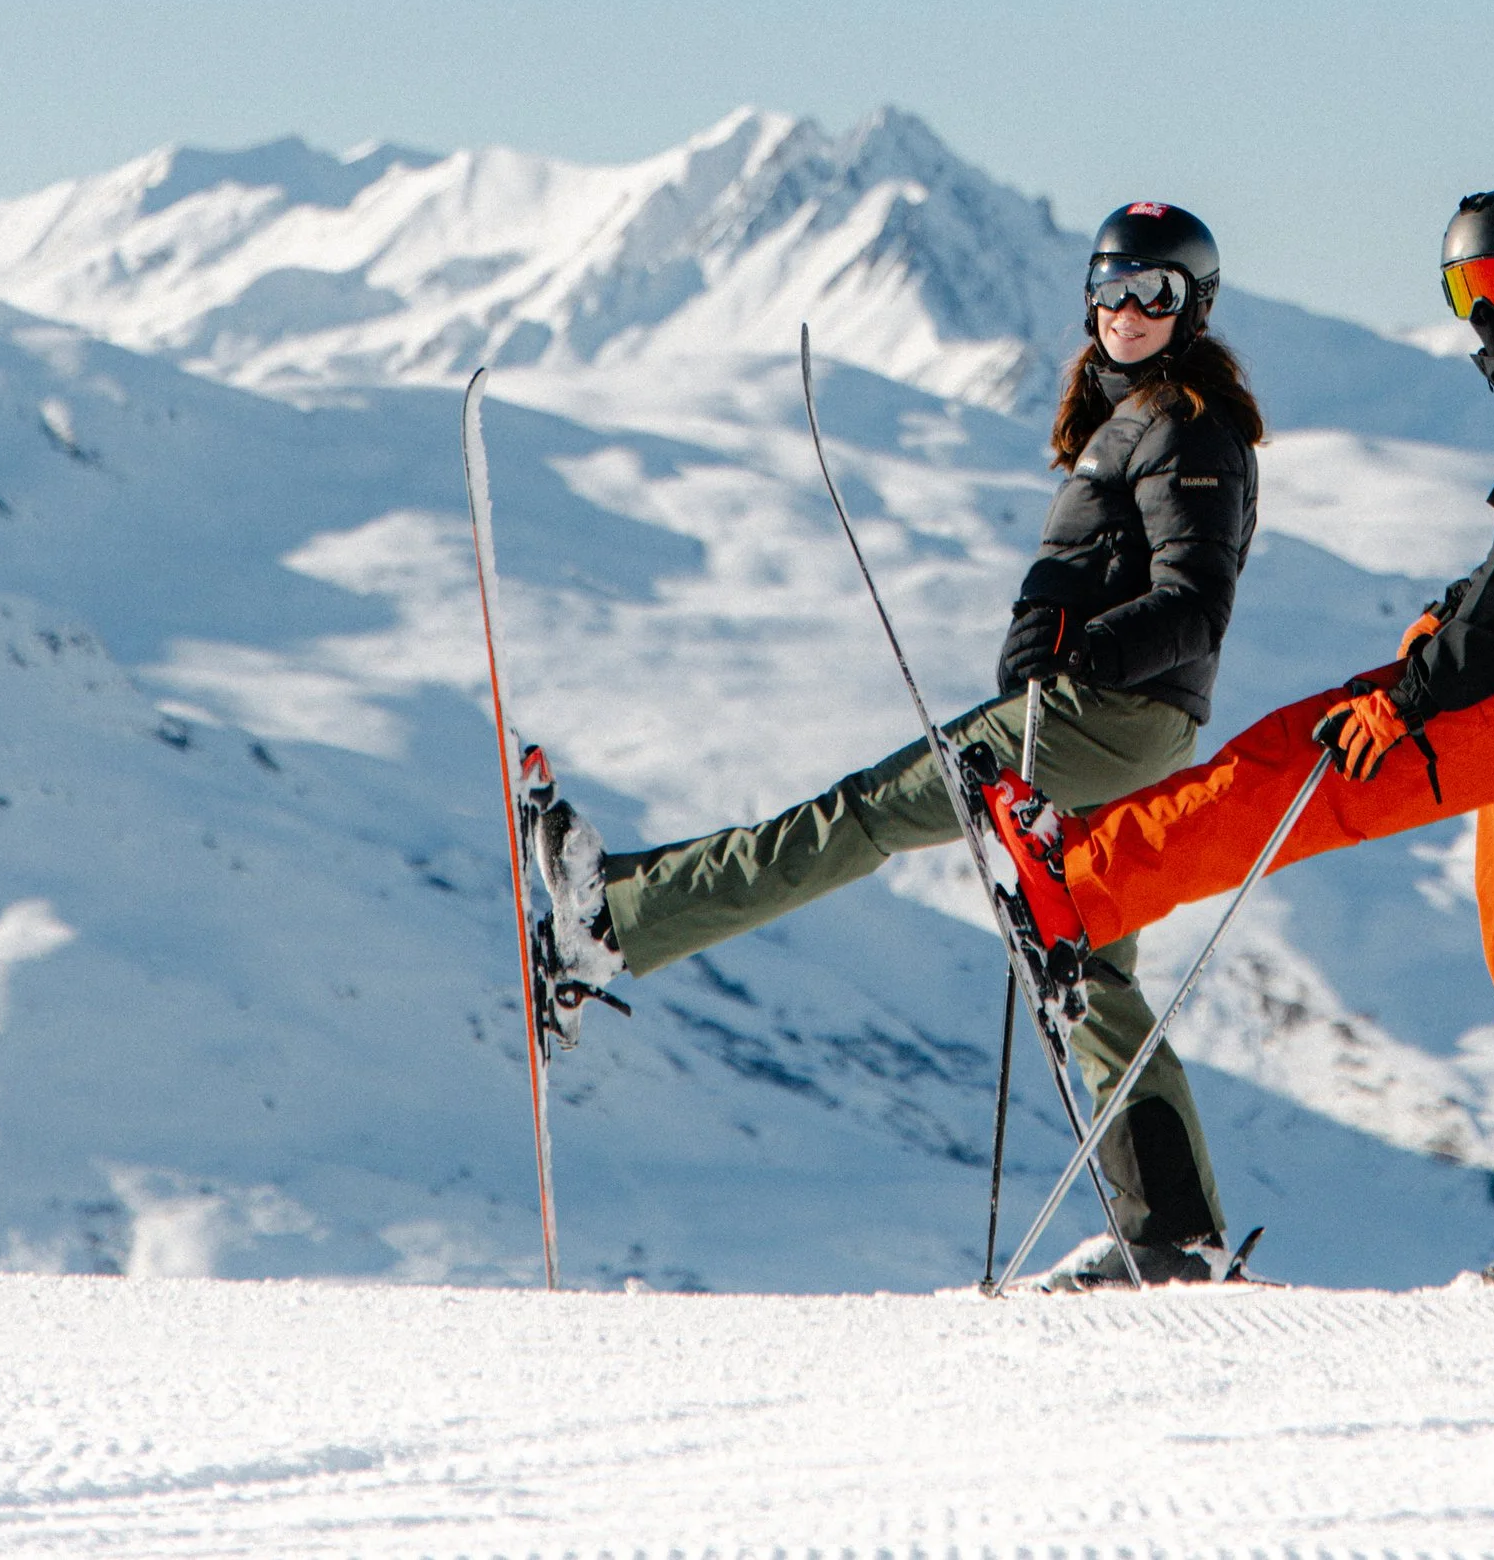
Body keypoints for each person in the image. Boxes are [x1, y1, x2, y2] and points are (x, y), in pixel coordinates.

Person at [982, 185, 1494, 1300]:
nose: (1487, 313)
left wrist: (1411, 694)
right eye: (1467, 290)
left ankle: (1078, 881)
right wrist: (1447, 619)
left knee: (1300, 765)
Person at [530, 199, 1264, 1287]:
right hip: (1116, 724)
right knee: (1087, 958)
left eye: (1154, 291)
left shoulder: (1187, 425)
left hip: (1092, 724)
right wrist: (1058, 626)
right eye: (1110, 285)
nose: (1127, 309)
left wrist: (1070, 654)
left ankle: (616, 921)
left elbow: (1192, 606)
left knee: (866, 811)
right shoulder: (1134, 419)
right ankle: (1174, 1233)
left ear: (1192, 305)